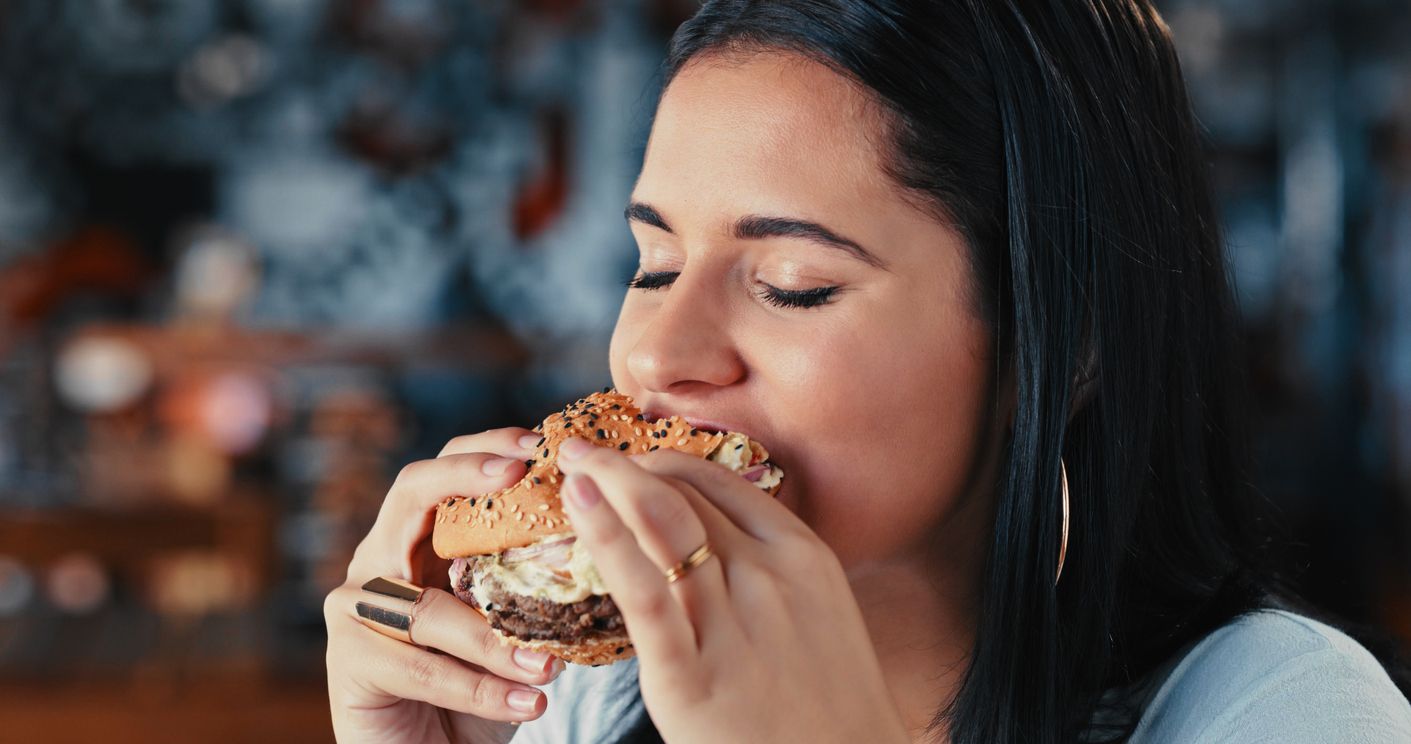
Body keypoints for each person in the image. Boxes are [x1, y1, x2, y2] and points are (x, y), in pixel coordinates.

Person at [323, 1, 1411, 742]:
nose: (655, 355)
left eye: (792, 282)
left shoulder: (1281, 710)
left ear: (1059, 345)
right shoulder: (592, 699)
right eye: (651, 265)